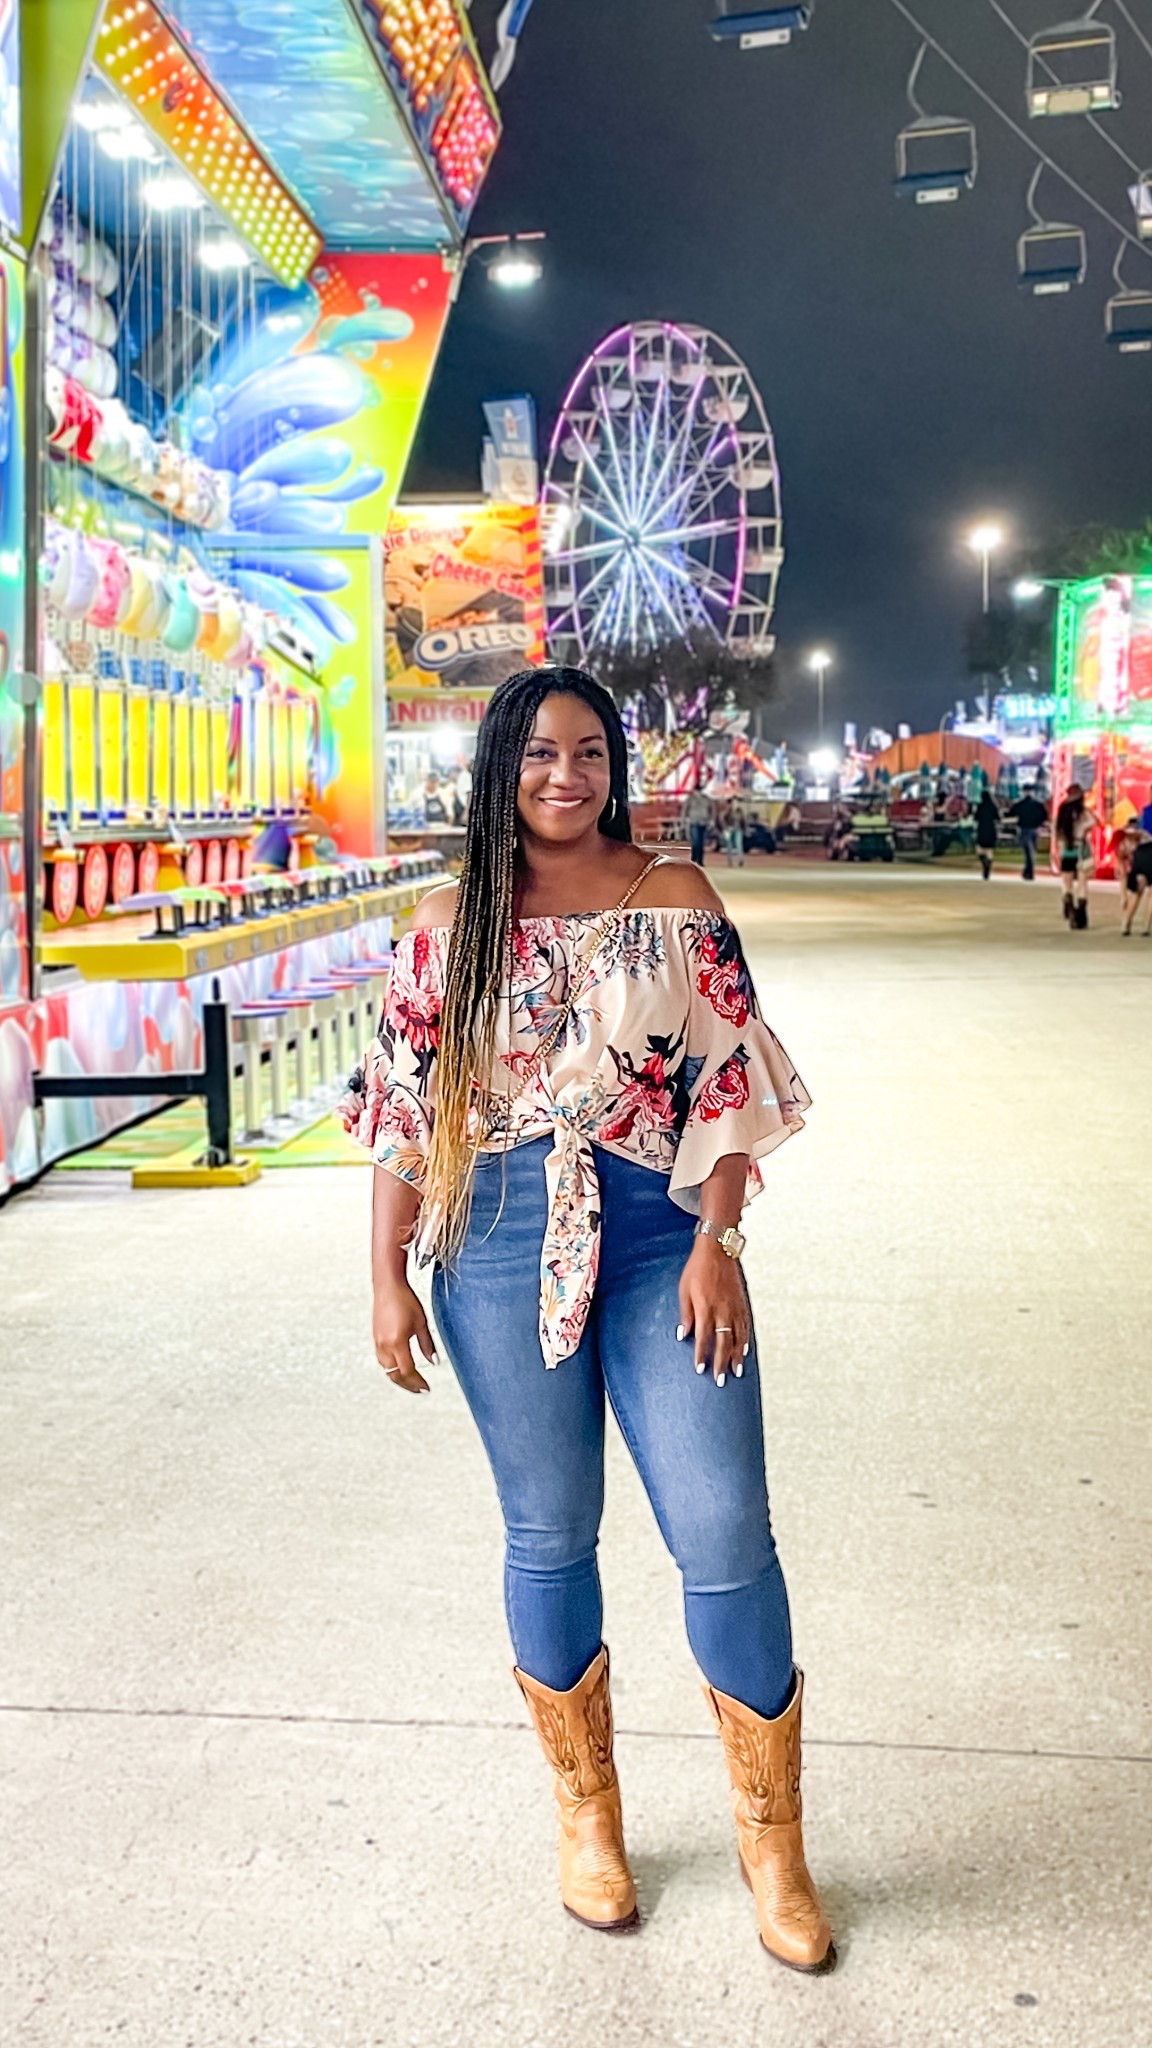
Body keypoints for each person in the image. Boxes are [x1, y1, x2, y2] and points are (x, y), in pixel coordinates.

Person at [341, 665, 835, 1975]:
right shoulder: (452, 919)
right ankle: (589, 1822)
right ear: (499, 765)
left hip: (664, 1230)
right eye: (540, 753)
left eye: (590, 753)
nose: (567, 776)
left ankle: (774, 1845)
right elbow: (405, 1111)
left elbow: (731, 1077)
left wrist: (720, 1241)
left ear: (616, 765)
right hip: (498, 1238)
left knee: (725, 1529)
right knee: (550, 1532)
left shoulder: (674, 898)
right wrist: (386, 1273)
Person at [1054, 782, 1097, 928]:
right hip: (1081, 848)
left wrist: (1057, 850)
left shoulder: (1062, 812)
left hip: (1066, 849)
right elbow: (1095, 822)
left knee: (1067, 881)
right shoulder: (1083, 812)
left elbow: (1057, 832)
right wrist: (1084, 828)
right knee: (1082, 882)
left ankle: (1068, 906)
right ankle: (1081, 914)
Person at [1009, 788, 1047, 882]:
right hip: (1035, 829)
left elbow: (1011, 812)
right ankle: (1029, 871)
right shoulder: (1038, 804)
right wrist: (1040, 824)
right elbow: (1044, 816)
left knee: (1028, 851)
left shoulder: (1020, 804)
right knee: (1032, 850)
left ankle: (1029, 871)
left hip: (1024, 828)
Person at [1120, 827, 1152, 935]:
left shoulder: (1145, 813)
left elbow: (1134, 833)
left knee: (1136, 892)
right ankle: (1145, 927)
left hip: (1141, 854)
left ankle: (1126, 924)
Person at [680, 785, 713, 867]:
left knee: (701, 842)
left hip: (704, 822)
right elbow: (684, 809)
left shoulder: (706, 799)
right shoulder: (690, 799)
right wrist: (683, 820)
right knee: (695, 841)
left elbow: (712, 809)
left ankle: (700, 860)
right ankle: (694, 859)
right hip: (694, 821)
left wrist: (712, 820)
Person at [974, 788, 999, 881]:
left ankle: (984, 861)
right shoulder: (994, 806)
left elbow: (975, 818)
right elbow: (998, 818)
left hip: (981, 830)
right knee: (989, 850)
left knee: (980, 849)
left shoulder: (980, 806)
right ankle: (988, 863)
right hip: (991, 830)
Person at [720, 796, 746, 867]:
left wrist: (745, 829)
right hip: (729, 830)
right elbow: (722, 819)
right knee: (729, 846)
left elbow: (743, 821)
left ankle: (741, 860)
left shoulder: (739, 811)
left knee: (739, 845)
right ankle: (730, 861)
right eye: (734, 802)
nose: (735, 803)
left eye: (736, 802)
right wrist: (726, 828)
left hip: (738, 829)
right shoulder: (727, 811)